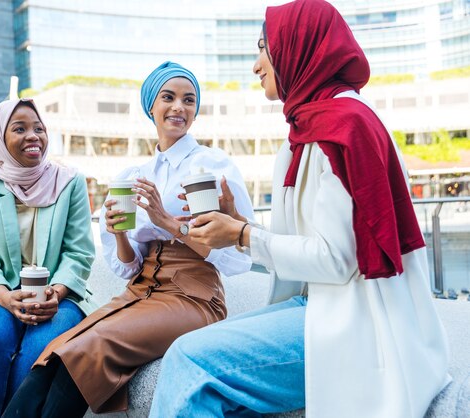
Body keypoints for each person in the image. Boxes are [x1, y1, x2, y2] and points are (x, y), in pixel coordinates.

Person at [149, 1, 451, 417]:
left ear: (297, 47)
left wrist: (240, 235)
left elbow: (337, 260)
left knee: (188, 360)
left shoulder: (344, 128)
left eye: (263, 48)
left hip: (361, 324)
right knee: (192, 361)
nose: (256, 65)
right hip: (320, 306)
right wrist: (238, 224)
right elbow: (301, 247)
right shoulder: (313, 128)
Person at [2, 62, 255, 418]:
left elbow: (236, 257)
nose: (179, 107)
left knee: (91, 347)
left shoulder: (212, 165)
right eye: (168, 97)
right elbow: (129, 265)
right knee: (57, 351)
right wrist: (119, 232)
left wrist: (166, 221)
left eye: (188, 99)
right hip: (142, 290)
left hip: (195, 298)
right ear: (151, 105)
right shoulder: (135, 175)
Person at [0, 98, 99, 418]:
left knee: (40, 347)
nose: (33, 136)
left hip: (60, 297)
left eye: (39, 128)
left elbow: (79, 252)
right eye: (19, 129)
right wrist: (7, 299)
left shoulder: (70, 182)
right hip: (1, 295)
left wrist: (55, 292)